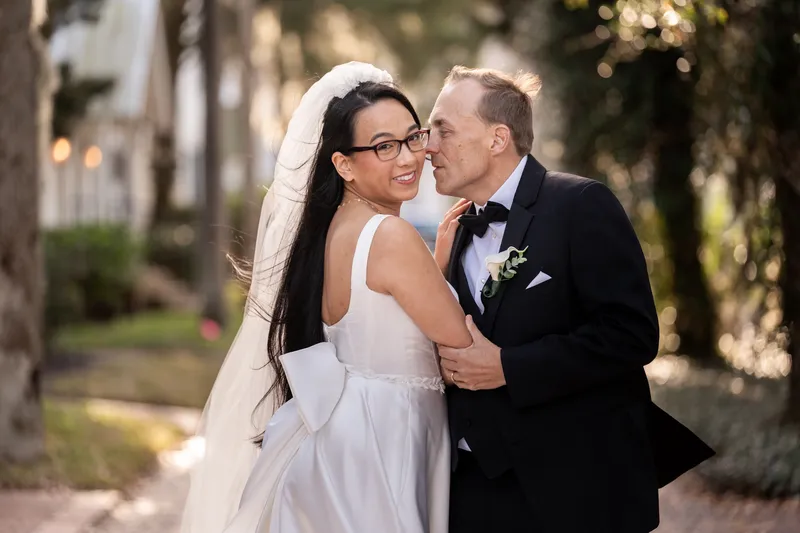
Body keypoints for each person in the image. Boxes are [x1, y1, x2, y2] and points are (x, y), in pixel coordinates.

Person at [181, 62, 472, 533]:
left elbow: (390, 319)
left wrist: (434, 267)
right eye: (384, 147)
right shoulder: (390, 236)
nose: (408, 158)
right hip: (387, 438)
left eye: (412, 138)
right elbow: (458, 342)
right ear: (343, 164)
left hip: (340, 436)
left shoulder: (329, 232)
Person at [428, 66, 715, 533]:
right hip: (472, 491)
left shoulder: (581, 204)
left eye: (444, 130)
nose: (428, 147)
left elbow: (631, 335)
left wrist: (509, 367)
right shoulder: (456, 231)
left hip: (572, 491)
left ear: (498, 138)